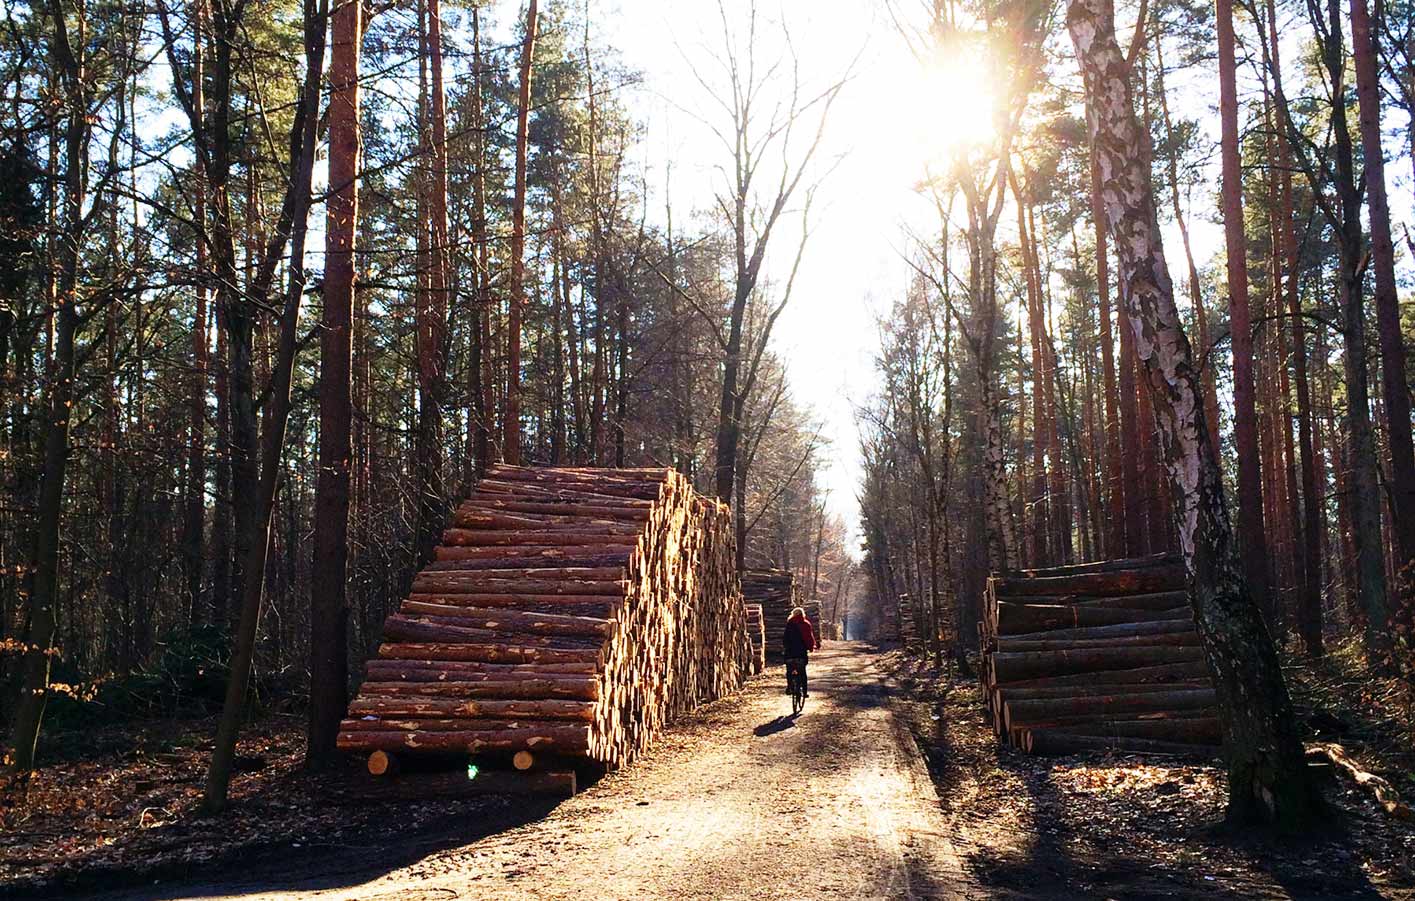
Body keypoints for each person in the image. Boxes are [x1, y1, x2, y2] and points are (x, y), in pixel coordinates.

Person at [782, 607, 819, 697]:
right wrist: (811, 647)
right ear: (803, 614)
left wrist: (785, 647)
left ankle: (790, 687)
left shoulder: (789, 624)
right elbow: (809, 638)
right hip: (801, 653)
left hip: (790, 653)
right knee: (802, 672)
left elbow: (785, 638)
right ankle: (805, 692)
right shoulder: (806, 624)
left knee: (789, 670)